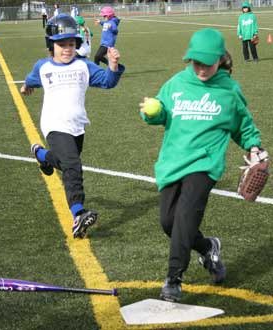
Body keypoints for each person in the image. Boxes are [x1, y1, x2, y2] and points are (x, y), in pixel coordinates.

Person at [139, 28, 264, 302]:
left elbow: (243, 125)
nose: (201, 68)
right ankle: (208, 247)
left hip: (205, 164)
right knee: (169, 223)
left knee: (185, 216)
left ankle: (174, 279)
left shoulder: (228, 90)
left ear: (220, 59)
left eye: (207, 63)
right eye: (196, 62)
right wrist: (155, 112)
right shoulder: (176, 84)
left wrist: (254, 146)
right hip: (173, 162)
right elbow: (159, 112)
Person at [21, 14, 125, 239]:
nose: (67, 49)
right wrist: (26, 87)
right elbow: (30, 79)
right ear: (51, 45)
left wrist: (114, 66)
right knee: (73, 165)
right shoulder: (43, 67)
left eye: (71, 44)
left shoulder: (83, 66)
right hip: (54, 124)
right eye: (61, 44)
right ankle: (78, 213)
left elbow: (107, 82)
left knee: (65, 164)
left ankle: (41, 154)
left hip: (77, 126)